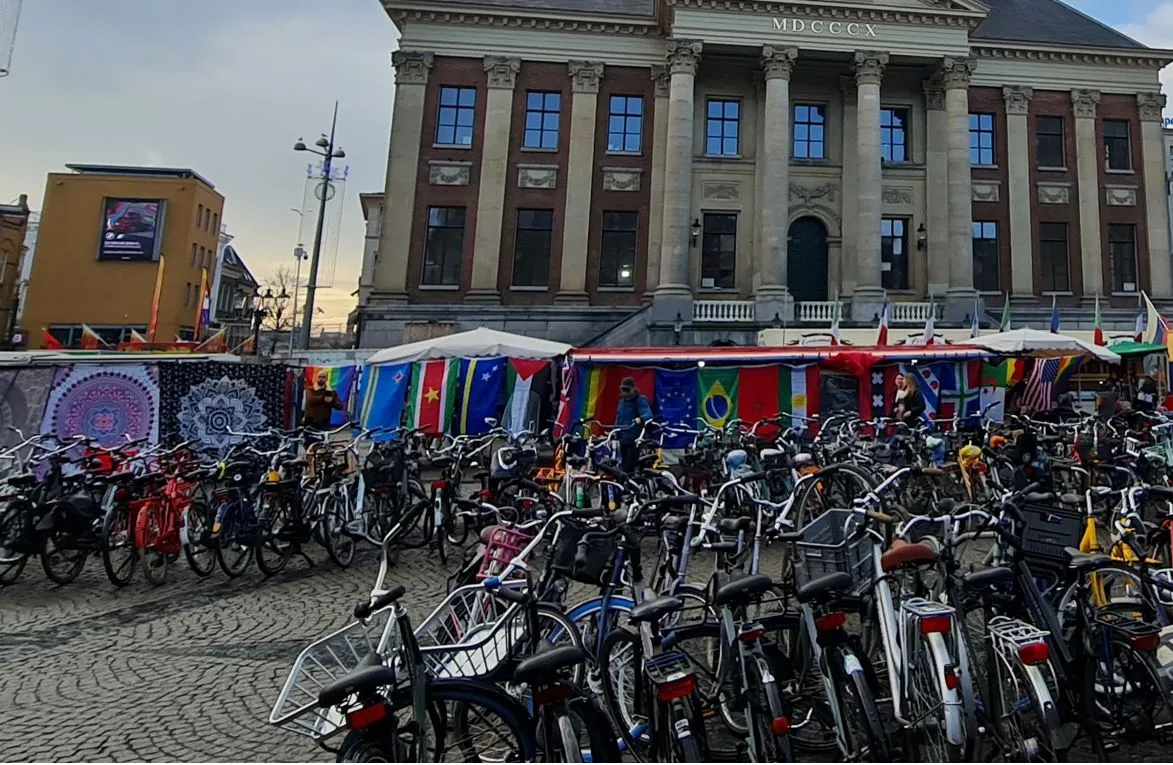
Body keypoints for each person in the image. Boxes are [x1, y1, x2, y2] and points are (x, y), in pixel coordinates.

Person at [615, 377, 653, 474]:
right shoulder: (621, 402)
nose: (625, 392)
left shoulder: (640, 400)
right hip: (623, 438)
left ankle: (631, 485)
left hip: (635, 440)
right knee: (623, 466)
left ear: (633, 389)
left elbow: (648, 414)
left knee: (629, 467)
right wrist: (614, 431)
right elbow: (618, 417)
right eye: (623, 390)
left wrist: (641, 419)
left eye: (627, 390)